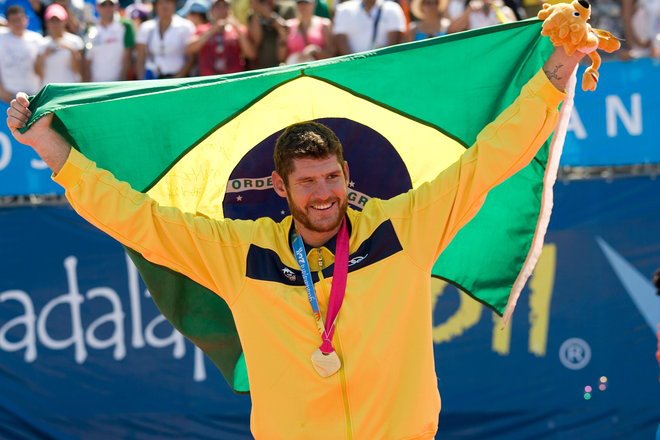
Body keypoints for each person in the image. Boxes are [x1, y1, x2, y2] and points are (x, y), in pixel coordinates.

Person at [7, 41, 581, 439]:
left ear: (347, 175)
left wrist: (560, 68)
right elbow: (137, 219)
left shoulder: (404, 226)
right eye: (307, 183)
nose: (323, 193)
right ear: (280, 186)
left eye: (332, 177)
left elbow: (490, 159)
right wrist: (50, 151)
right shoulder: (240, 252)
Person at [186, 0, 255, 75]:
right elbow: (189, 49)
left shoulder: (239, 29)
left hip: (233, 80)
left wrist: (237, 28)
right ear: (211, 11)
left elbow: (251, 54)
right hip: (209, 80)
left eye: (225, 6)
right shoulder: (202, 29)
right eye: (218, 7)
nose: (221, 10)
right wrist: (211, 31)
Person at [135, 0, 195, 79]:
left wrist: (178, 79)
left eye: (168, 2)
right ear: (155, 6)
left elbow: (191, 58)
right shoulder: (146, 27)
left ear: (174, 5)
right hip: (152, 79)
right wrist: (141, 81)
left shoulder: (186, 26)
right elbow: (140, 57)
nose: (164, 5)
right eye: (160, 3)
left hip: (179, 79)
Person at [83, 0, 135, 82]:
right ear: (97, 7)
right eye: (103, 5)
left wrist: (122, 81)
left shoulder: (125, 26)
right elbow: (87, 60)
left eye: (111, 5)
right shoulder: (90, 30)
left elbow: (127, 56)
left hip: (117, 84)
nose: (107, 8)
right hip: (95, 85)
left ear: (117, 6)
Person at [0, 5, 43, 102]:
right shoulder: (1, 38)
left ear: (26, 19)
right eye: (13, 21)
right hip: (7, 96)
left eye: (20, 19)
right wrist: (1, 90)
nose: (17, 23)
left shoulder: (37, 39)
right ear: (7, 22)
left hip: (33, 94)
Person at [333, 0, 406, 55]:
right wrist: (355, 64)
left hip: (384, 65)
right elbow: (340, 40)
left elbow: (394, 42)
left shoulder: (393, 8)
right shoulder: (344, 9)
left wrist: (381, 61)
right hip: (354, 69)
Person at [35, 4, 84, 86]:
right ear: (47, 23)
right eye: (52, 21)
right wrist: (44, 56)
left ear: (65, 21)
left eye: (58, 20)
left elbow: (79, 70)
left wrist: (71, 51)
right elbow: (37, 72)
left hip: (69, 87)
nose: (55, 24)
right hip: (49, 89)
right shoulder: (42, 43)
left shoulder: (75, 41)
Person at [246, 0, 288, 68]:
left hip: (281, 65)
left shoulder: (285, 9)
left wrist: (268, 15)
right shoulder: (252, 16)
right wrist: (256, 11)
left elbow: (284, 29)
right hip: (260, 67)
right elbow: (256, 40)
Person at [446, 0, 516, 33]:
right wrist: (468, 11)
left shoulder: (505, 10)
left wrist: (498, 11)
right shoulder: (471, 12)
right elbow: (451, 31)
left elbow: (514, 31)